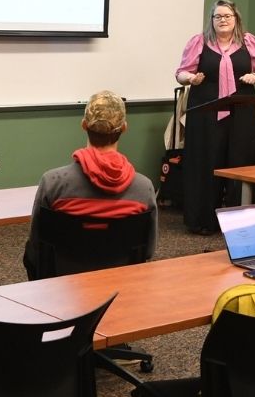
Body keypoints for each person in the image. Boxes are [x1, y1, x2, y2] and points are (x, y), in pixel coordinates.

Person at [23, 91, 158, 277]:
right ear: (124, 127)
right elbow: (148, 251)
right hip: (122, 289)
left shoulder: (53, 183)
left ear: (84, 124)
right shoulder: (144, 188)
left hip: (62, 290)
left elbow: (36, 249)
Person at [175, 0, 255, 234]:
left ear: (236, 19)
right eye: (218, 17)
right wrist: (191, 79)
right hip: (207, 112)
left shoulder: (249, 42)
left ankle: (242, 223)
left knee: (241, 161)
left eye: (227, 16)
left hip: (242, 113)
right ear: (212, 20)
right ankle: (204, 221)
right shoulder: (199, 42)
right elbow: (180, 73)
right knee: (207, 162)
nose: (223, 20)